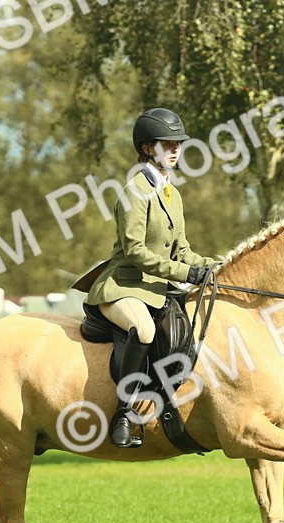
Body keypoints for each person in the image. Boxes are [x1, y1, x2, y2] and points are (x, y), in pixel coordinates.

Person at [79, 108, 219, 448]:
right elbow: (136, 252)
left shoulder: (173, 194)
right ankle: (123, 412)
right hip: (122, 287)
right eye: (165, 144)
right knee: (144, 330)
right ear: (146, 149)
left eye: (178, 144)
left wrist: (217, 266)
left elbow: (181, 249)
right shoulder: (135, 190)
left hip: (156, 290)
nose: (174, 150)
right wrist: (187, 273)